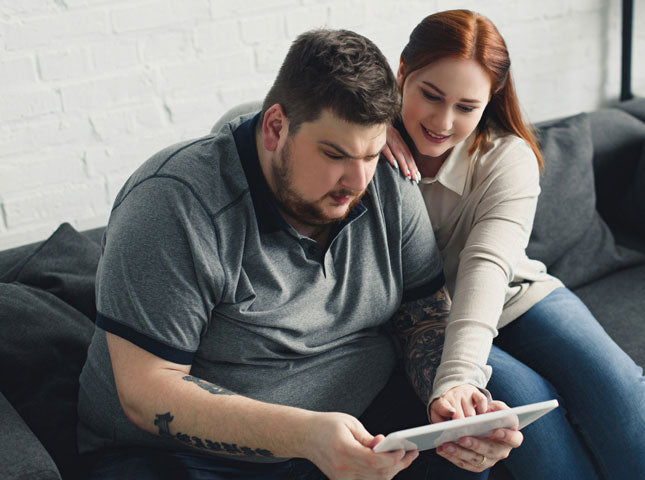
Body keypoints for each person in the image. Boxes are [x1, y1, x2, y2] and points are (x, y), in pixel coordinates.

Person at [76, 28, 522, 480]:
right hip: (186, 456)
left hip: (358, 425)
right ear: (274, 127)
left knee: (463, 461)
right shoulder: (173, 203)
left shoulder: (387, 178)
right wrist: (305, 436)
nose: (357, 181)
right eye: (335, 153)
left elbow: (424, 312)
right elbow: (148, 391)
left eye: (370, 153)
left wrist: (444, 398)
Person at [381, 10, 645, 479]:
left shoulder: (507, 157)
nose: (442, 121)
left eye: (466, 107)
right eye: (430, 95)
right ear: (402, 73)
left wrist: (456, 376)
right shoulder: (360, 144)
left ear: (489, 101)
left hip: (511, 291)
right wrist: (368, 126)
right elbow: (254, 117)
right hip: (433, 316)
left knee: (622, 389)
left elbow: (487, 268)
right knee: (527, 413)